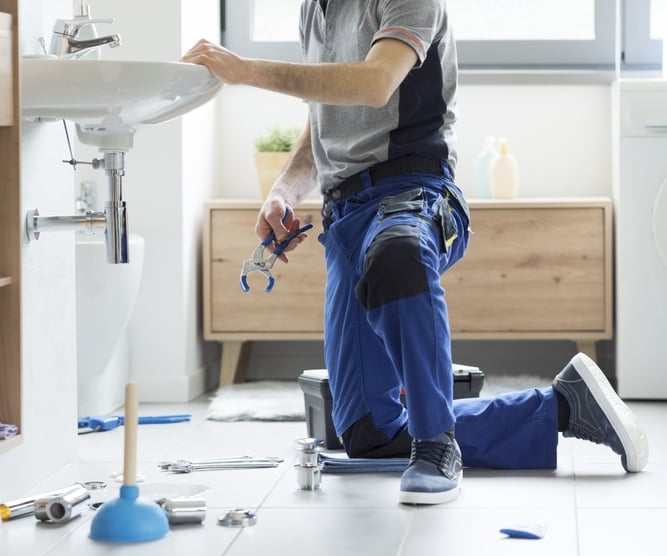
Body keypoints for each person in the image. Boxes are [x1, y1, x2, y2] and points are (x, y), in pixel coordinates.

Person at [182, 1, 648, 504]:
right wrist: (284, 191)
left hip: (413, 189)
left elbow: (375, 81)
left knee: (397, 255)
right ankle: (563, 407)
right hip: (344, 217)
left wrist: (245, 71)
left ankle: (435, 444)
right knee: (369, 434)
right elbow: (322, 120)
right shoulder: (314, 10)